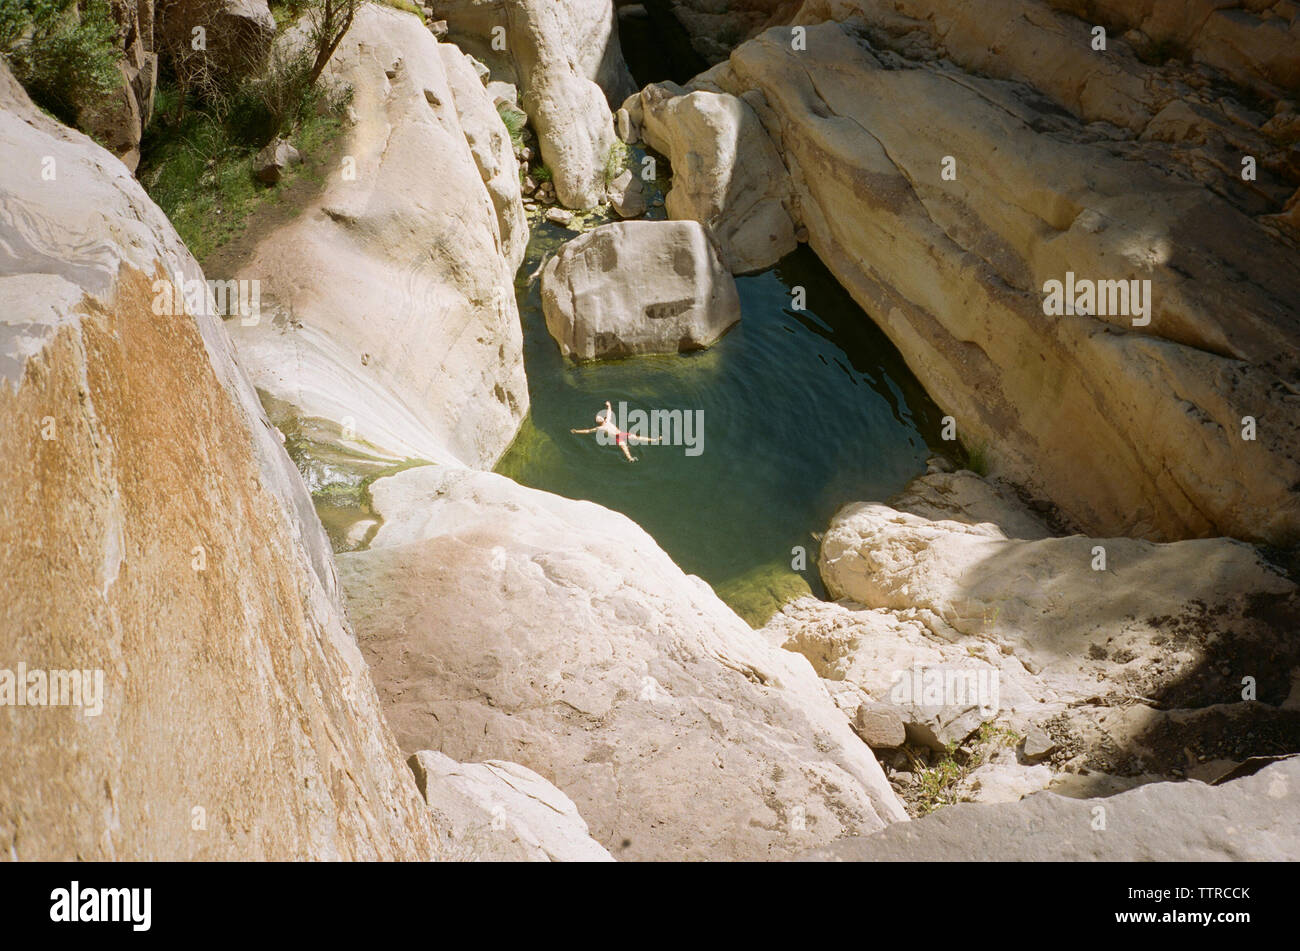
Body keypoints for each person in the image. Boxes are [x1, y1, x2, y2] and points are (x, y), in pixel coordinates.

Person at [570, 400, 660, 462]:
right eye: (600, 418)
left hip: (620, 434)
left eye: (600, 417)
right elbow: (588, 431)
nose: (601, 417)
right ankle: (630, 458)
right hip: (618, 436)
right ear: (601, 421)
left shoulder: (604, 423)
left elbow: (609, 412)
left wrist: (609, 405)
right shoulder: (601, 427)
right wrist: (577, 431)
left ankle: (653, 440)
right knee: (626, 446)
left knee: (635, 439)